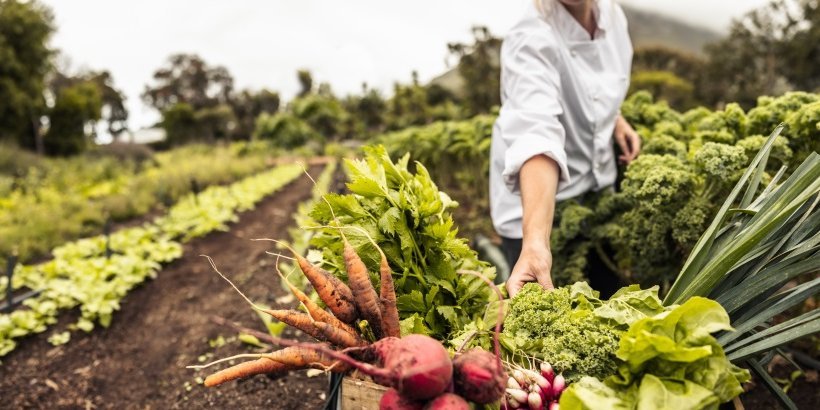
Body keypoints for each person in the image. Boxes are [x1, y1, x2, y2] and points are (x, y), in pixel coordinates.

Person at [489, 0, 641, 297]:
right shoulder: (530, 36)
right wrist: (534, 242)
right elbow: (536, 132)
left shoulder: (611, 15)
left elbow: (595, 84)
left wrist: (615, 119)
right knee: (546, 318)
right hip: (536, 203)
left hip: (595, 187)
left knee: (607, 291)